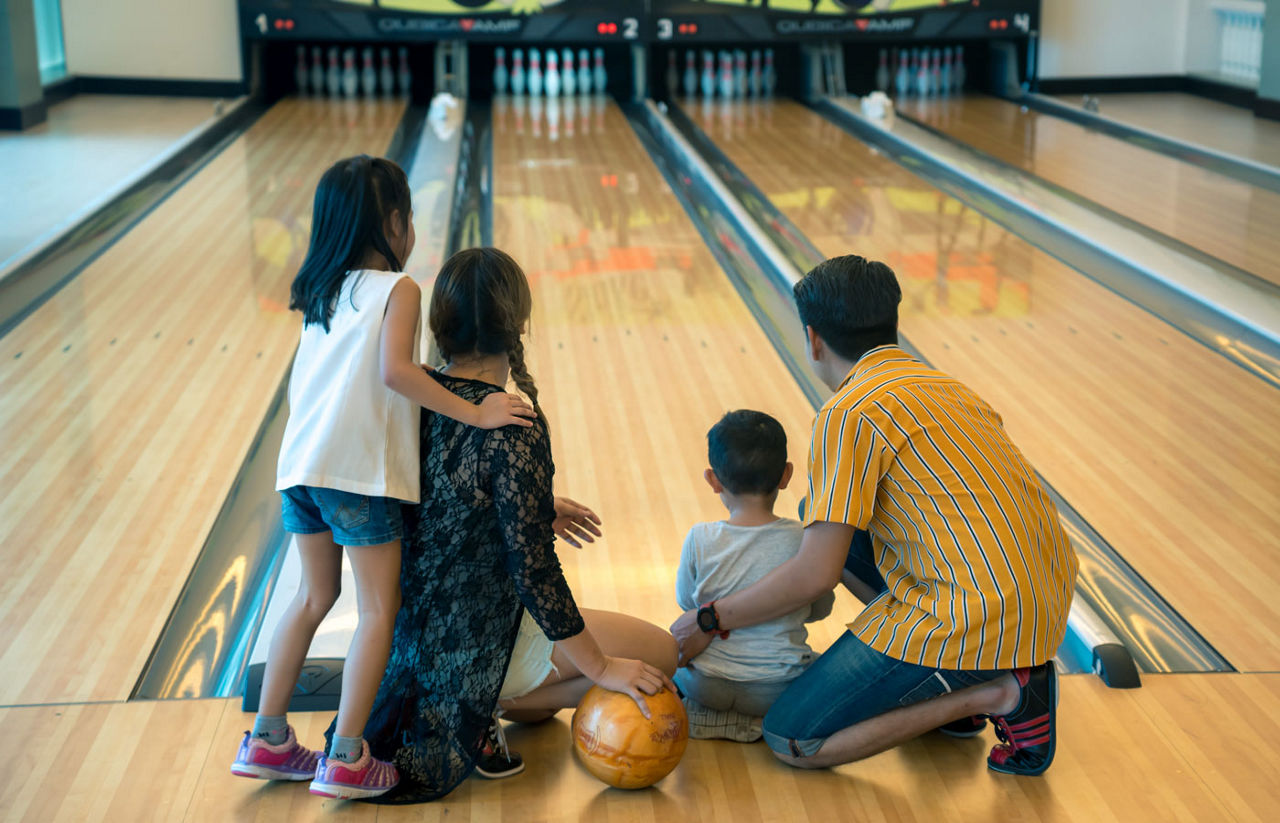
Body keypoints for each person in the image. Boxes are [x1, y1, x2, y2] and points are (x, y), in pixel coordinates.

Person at [672, 255, 1078, 777]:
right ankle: (950, 675)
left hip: (970, 612)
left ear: (814, 339)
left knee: (792, 737)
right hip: (1042, 601)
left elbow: (815, 574)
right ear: (892, 326)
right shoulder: (947, 386)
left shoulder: (847, 413)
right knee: (816, 515)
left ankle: (998, 692)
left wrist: (711, 617)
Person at [231, 156, 536, 801]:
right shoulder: (399, 290)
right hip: (357, 475)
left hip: (302, 468)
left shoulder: (321, 290)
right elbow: (398, 372)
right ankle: (345, 756)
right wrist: (476, 412)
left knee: (312, 599)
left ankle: (267, 739)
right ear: (395, 223)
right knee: (377, 609)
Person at [339, 247, 677, 804]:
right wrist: (603, 666)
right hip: (478, 638)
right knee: (661, 654)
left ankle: (471, 704)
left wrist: (535, 505)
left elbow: (438, 505)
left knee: (580, 681)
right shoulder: (511, 421)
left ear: (439, 324)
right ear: (518, 324)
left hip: (405, 642)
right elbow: (535, 570)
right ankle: (479, 706)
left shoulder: (408, 398)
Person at [674, 410, 834, 742]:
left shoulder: (700, 537)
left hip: (706, 684)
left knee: (668, 661)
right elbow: (820, 609)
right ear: (786, 475)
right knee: (821, 665)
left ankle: (703, 714)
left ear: (712, 480)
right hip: (776, 688)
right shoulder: (805, 540)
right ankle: (759, 725)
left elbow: (687, 603)